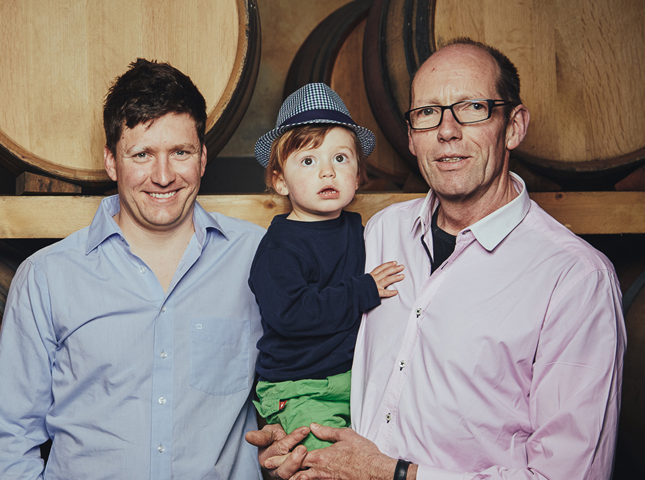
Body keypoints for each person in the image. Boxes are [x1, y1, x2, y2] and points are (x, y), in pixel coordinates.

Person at [247, 38, 626, 480]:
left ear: (514, 126)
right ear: (411, 136)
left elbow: (568, 474)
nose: (447, 130)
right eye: (428, 113)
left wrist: (394, 474)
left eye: (473, 107)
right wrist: (289, 442)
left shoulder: (576, 279)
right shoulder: (382, 232)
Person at [0, 58, 265, 479]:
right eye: (142, 154)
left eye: (181, 152)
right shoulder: (47, 277)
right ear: (112, 161)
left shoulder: (257, 258)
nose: (163, 176)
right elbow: (12, 438)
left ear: (203, 158)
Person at [249, 83, 404, 451]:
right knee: (328, 463)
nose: (327, 172)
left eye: (340, 158)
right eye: (308, 161)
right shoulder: (279, 248)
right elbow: (292, 314)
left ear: (359, 174)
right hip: (300, 386)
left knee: (383, 453)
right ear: (280, 182)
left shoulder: (361, 231)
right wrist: (362, 291)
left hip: (353, 379)